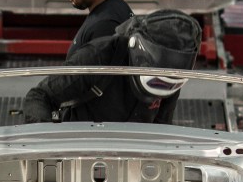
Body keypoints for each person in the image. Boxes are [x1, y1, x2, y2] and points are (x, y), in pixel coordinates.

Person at [21, 10, 202, 123]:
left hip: (134, 157)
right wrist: (48, 149)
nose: (165, 86)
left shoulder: (170, 76)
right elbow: (39, 97)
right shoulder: (98, 56)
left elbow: (163, 129)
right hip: (80, 148)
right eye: (159, 82)